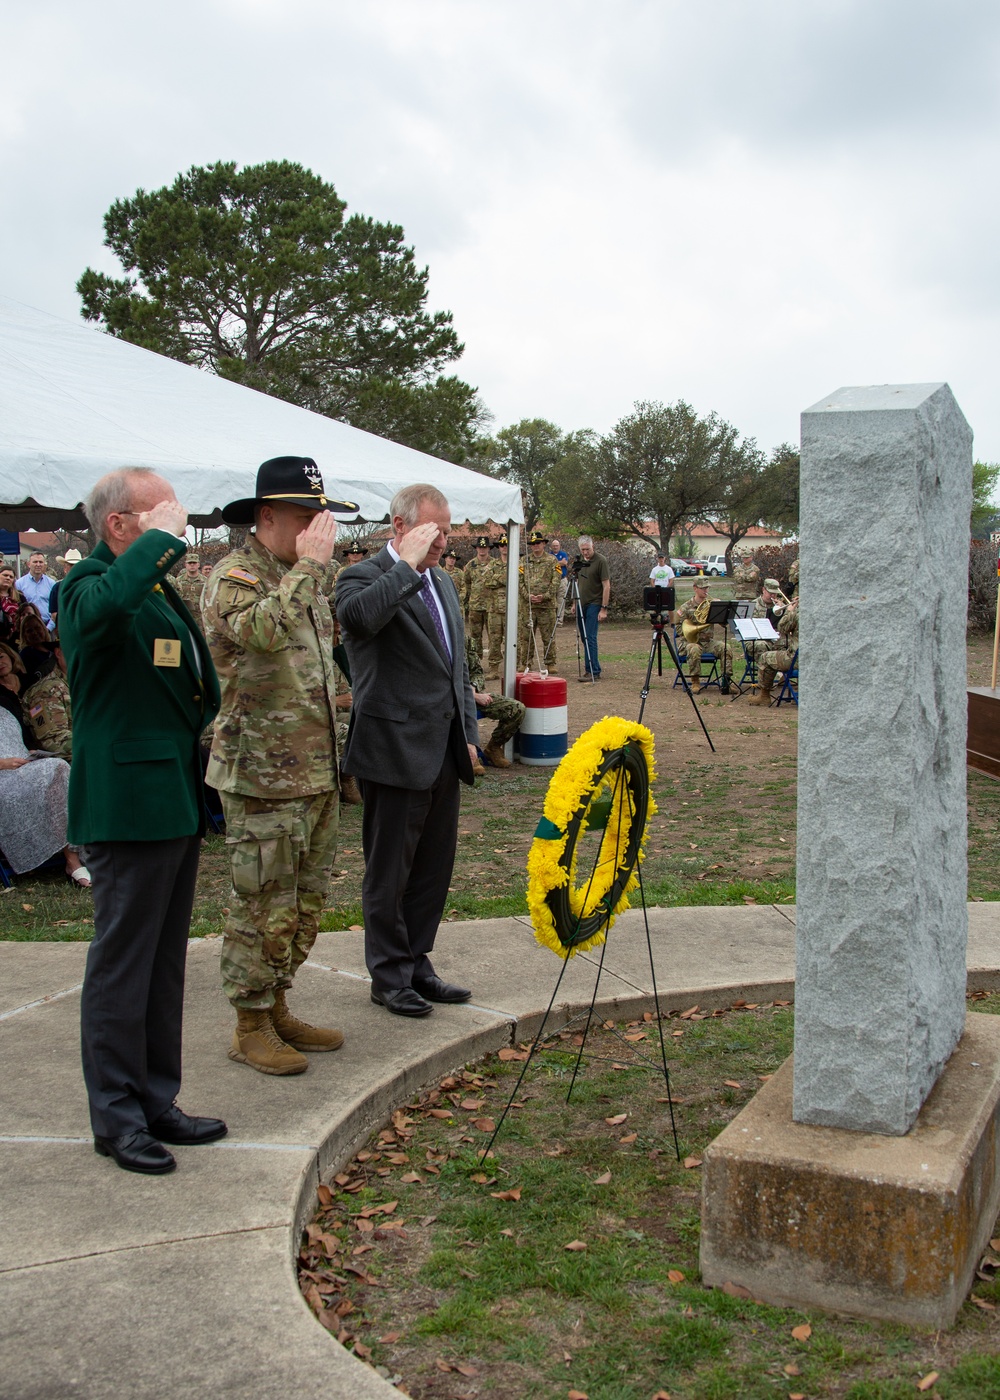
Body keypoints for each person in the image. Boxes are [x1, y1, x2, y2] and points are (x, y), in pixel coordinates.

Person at [60, 467, 225, 1176]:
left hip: (171, 792)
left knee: (162, 963)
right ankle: (117, 1117)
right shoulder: (87, 584)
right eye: (159, 513)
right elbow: (105, 612)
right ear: (119, 525)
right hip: (128, 802)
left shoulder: (145, 579)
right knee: (123, 966)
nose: (177, 525)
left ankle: (158, 1098)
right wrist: (160, 546)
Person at [204, 456, 356, 1076]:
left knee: (305, 901)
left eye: (322, 517)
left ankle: (278, 1005)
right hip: (261, 777)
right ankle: (248, 1025)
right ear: (267, 516)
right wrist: (314, 569)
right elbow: (262, 633)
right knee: (262, 902)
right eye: (306, 517)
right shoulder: (236, 575)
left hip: (314, 772)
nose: (320, 529)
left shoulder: (303, 577)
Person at [335, 482, 478, 1018]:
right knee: (389, 871)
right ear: (399, 527)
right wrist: (407, 568)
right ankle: (388, 976)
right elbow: (359, 619)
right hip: (392, 749)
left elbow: (454, 665)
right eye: (432, 530)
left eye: (447, 528)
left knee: (432, 868)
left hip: (442, 748)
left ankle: (417, 961)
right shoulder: (362, 576)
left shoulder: (442, 582)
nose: (444, 540)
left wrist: (468, 729)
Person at [0, 704, 88, 886]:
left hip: (21, 769)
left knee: (58, 769)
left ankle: (83, 853)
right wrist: (2, 763)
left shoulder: (4, 710)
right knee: (57, 769)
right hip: (4, 779)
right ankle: (74, 860)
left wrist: (28, 754)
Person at [467, 633, 525, 769]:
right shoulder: (435, 642)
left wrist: (473, 688)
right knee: (458, 712)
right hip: (449, 700)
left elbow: (476, 671)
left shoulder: (465, 640)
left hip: (470, 694)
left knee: (515, 708)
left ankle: (493, 748)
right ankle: (468, 753)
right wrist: (470, 696)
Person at [676, 579, 731, 694]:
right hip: (689, 642)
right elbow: (678, 627)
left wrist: (721, 609)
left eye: (707, 588)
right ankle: (695, 681)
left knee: (725, 648)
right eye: (703, 588)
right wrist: (691, 631)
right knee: (694, 648)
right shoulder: (685, 607)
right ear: (695, 588)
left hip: (708, 642)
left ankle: (726, 682)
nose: (706, 590)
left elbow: (723, 624)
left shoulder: (711, 604)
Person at [23, 636, 72, 762]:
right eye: (72, 648)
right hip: (73, 766)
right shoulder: (46, 691)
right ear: (58, 653)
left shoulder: (92, 684)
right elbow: (54, 742)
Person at [518, 530, 561, 671]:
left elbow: (556, 580)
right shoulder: (523, 560)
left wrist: (545, 596)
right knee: (526, 637)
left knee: (548, 636)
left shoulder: (552, 560)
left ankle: (550, 662)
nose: (535, 546)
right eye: (533, 543)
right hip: (528, 606)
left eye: (538, 543)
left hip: (546, 606)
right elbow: (519, 580)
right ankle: (525, 663)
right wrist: (527, 596)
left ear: (544, 544)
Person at [572, 535, 610, 682]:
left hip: (595, 602)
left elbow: (606, 585)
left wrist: (603, 608)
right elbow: (577, 583)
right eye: (583, 550)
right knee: (584, 637)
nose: (585, 552)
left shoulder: (601, 561)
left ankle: (593, 670)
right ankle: (589, 667)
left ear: (593, 547)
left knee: (590, 636)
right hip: (581, 603)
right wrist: (574, 603)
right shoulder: (579, 562)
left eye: (588, 549)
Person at [749, 593, 799, 706]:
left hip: (797, 660)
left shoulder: (797, 614)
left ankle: (764, 696)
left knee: (765, 657)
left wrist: (789, 611)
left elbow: (782, 627)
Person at [484, 534, 510, 677]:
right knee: (494, 639)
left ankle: (516, 666)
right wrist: (505, 579)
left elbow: (518, 581)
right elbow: (487, 581)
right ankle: (494, 668)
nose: (504, 547)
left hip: (512, 609)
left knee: (513, 639)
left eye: (506, 544)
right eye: (501, 545)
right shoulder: (493, 564)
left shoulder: (517, 563)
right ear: (499, 547)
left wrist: (497, 578)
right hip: (494, 608)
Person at [463, 535, 493, 647]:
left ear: (489, 548)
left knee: (493, 635)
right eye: (480, 547)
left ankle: (492, 662)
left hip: (491, 606)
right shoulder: (470, 565)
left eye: (484, 547)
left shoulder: (494, 564)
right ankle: (477, 660)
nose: (482, 549)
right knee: (475, 636)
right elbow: (467, 583)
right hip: (475, 606)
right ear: (476, 548)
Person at [15, 552, 56, 630]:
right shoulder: (19, 584)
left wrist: (49, 628)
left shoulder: (52, 584)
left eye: (41, 562)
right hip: (27, 627)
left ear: (44, 564)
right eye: (35, 562)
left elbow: (55, 608)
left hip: (48, 626)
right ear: (28, 564)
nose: (38, 564)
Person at [48, 548, 83, 626]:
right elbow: (54, 614)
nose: (74, 568)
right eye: (71, 565)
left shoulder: (88, 586)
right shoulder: (57, 588)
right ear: (65, 568)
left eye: (76, 565)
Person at [175, 551, 206, 617]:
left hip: (200, 616)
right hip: (183, 615)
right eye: (189, 563)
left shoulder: (205, 581)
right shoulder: (178, 581)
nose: (192, 565)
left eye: (194, 563)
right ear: (185, 565)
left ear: (198, 565)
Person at [549, 538, 570, 624]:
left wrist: (555, 562)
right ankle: (552, 620)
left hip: (562, 580)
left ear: (559, 546)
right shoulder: (549, 555)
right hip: (552, 580)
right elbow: (549, 564)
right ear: (551, 546)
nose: (555, 547)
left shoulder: (563, 554)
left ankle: (559, 621)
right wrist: (559, 562)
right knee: (551, 600)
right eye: (554, 546)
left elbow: (565, 563)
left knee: (561, 600)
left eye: (557, 545)